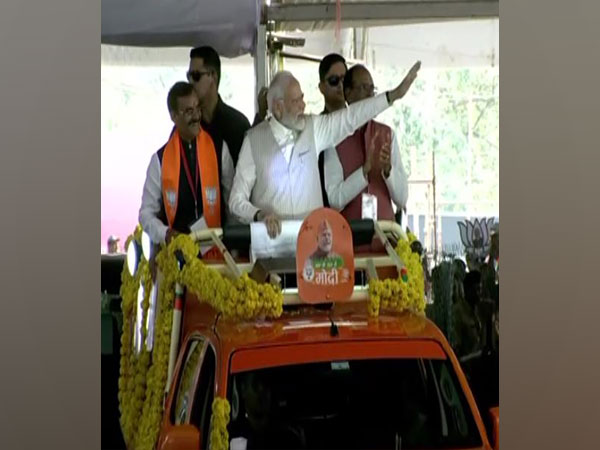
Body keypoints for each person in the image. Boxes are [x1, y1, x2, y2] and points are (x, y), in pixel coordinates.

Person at [229, 61, 421, 239]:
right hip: (269, 249)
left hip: (313, 248)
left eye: (302, 98)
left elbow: (350, 117)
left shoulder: (313, 128)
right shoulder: (253, 140)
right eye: (296, 101)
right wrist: (259, 215)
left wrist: (392, 96)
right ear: (278, 107)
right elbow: (236, 201)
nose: (303, 106)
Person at [138, 82, 234, 246]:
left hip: (217, 250)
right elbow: (146, 213)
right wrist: (165, 234)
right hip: (178, 253)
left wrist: (234, 246)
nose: (197, 116)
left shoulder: (219, 149)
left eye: (197, 108)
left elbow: (232, 203)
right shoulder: (159, 160)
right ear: (173, 116)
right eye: (189, 111)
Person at [324, 64, 409, 224]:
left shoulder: (387, 134)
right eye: (364, 88)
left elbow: (402, 199)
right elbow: (334, 199)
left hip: (386, 239)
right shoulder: (334, 138)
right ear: (347, 93)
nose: (370, 94)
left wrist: (388, 171)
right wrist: (363, 172)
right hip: (350, 240)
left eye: (372, 89)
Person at [187, 46, 251, 167]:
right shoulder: (186, 125)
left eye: (196, 76)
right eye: (188, 76)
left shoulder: (237, 125)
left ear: (213, 76)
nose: (190, 82)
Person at [317, 53, 348, 207]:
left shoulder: (361, 126)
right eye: (334, 81)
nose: (341, 86)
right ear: (321, 87)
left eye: (345, 80)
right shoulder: (315, 129)